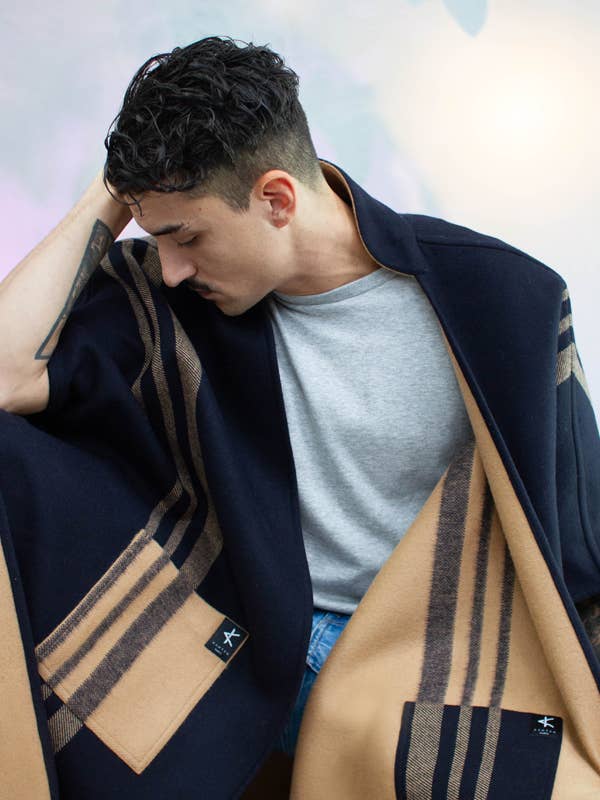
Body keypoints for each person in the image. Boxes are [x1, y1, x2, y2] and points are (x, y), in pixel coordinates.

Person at [0, 35, 599, 800]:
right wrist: (114, 189)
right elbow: (8, 375)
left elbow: (579, 538)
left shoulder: (503, 297)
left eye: (187, 236)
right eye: (158, 239)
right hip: (248, 640)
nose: (173, 267)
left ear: (277, 199)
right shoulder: (171, 302)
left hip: (431, 652)